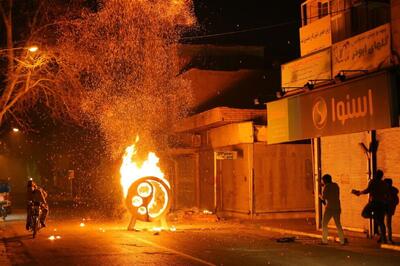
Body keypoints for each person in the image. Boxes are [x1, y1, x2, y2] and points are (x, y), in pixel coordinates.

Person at [352, 169, 389, 243]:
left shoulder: (373, 181)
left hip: (374, 202)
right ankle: (383, 238)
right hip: (382, 203)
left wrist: (359, 193)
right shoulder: (384, 183)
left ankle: (374, 216)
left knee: (364, 213)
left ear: (375, 175)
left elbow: (368, 190)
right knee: (381, 222)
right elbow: (386, 194)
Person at [319, 174, 345, 245]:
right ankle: (342, 241)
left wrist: (319, 195)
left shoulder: (326, 187)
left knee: (324, 224)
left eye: (322, 180)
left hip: (330, 208)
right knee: (338, 224)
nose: (322, 182)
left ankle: (324, 241)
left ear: (325, 180)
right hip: (337, 207)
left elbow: (324, 198)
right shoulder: (336, 185)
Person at [384, 178, 399, 244]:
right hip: (388, 209)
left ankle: (389, 239)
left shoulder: (389, 191)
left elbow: (395, 201)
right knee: (385, 224)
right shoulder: (393, 191)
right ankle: (385, 238)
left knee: (387, 224)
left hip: (387, 209)